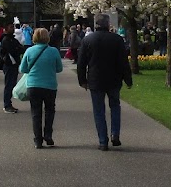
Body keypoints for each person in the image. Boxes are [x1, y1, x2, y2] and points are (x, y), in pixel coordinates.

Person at [77, 13, 133, 151]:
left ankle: (103, 141)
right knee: (115, 106)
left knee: (99, 110)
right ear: (108, 24)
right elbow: (123, 62)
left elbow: (81, 63)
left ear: (95, 24)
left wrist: (82, 80)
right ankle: (115, 134)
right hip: (114, 79)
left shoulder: (88, 40)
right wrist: (128, 79)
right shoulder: (117, 40)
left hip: (95, 80)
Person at [20, 27, 64, 148]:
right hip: (50, 85)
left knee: (36, 113)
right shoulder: (54, 51)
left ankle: (38, 140)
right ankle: (48, 135)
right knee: (50, 111)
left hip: (33, 85)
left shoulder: (29, 51)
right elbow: (59, 68)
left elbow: (22, 69)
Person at [0, 24, 24, 113]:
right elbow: (13, 50)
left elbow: (20, 49)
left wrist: (18, 49)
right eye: (11, 27)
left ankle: (9, 104)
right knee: (9, 85)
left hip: (13, 64)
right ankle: (7, 105)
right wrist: (17, 49)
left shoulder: (12, 39)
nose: (13, 29)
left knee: (12, 84)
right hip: (9, 65)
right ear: (6, 29)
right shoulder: (6, 40)